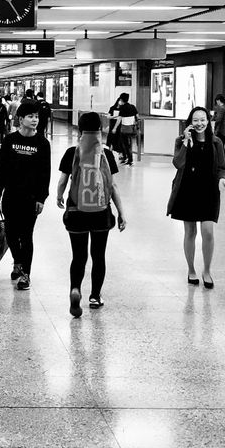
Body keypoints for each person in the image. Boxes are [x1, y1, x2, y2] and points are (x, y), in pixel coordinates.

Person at [56, 112, 126, 316]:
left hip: (76, 212)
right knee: (98, 255)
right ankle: (95, 296)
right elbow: (112, 186)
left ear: (80, 130)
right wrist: (121, 213)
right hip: (100, 213)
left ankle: (75, 289)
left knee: (78, 256)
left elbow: (62, 181)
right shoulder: (106, 154)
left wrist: (59, 197)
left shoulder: (71, 152)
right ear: (101, 130)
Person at [167, 106, 225, 289]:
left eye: (203, 120)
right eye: (195, 120)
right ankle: (191, 269)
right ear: (190, 123)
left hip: (208, 190)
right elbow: (178, 163)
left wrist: (221, 180)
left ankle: (207, 270)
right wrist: (186, 142)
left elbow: (221, 167)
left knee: (208, 231)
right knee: (190, 232)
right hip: (187, 190)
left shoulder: (216, 142)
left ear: (208, 122)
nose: (199, 123)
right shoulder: (181, 141)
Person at [0, 100, 51, 291]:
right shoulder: (10, 140)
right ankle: (17, 261)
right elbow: (2, 168)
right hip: (11, 196)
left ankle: (25, 273)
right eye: (30, 116)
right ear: (20, 119)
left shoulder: (42, 143)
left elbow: (45, 173)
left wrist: (42, 198)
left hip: (30, 198)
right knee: (10, 233)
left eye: (36, 116)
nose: (35, 120)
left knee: (26, 236)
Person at [108, 93, 139, 167]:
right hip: (131, 129)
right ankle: (128, 159)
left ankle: (128, 159)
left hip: (124, 129)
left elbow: (119, 119)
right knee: (129, 144)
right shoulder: (132, 107)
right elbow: (137, 116)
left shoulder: (122, 108)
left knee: (124, 144)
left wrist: (115, 128)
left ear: (121, 99)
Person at [213, 94, 225, 163]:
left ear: (218, 100)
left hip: (221, 130)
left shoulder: (221, 108)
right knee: (221, 144)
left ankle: (223, 159)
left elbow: (218, 119)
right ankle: (223, 159)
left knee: (219, 144)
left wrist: (214, 117)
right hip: (224, 130)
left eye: (217, 101)